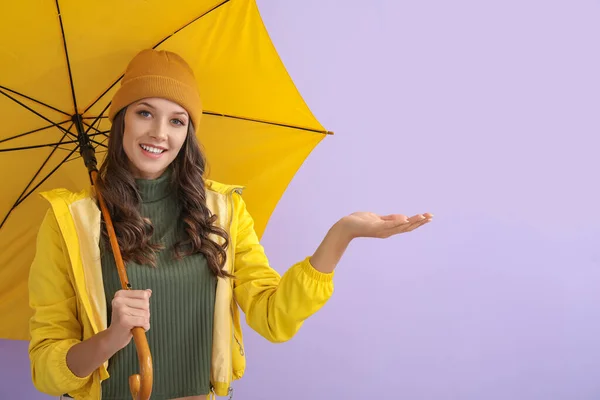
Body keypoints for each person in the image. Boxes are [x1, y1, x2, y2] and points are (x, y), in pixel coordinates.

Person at [27, 49, 432, 400]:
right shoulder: (71, 222)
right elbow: (46, 366)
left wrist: (341, 234)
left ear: (188, 133)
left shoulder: (222, 211)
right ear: (122, 121)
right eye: (144, 112)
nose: (158, 133)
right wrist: (110, 338)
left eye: (177, 121)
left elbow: (272, 318)